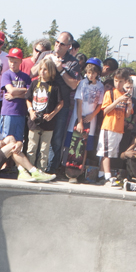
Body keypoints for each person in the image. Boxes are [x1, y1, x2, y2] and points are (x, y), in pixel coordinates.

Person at [42, 32, 81, 174]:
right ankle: (37, 166)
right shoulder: (46, 54)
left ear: (69, 46)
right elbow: (32, 72)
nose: (57, 46)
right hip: (42, 102)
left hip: (61, 105)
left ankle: (52, 169)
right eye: (56, 42)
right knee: (38, 136)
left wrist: (60, 69)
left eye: (62, 44)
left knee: (56, 138)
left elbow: (74, 85)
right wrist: (44, 61)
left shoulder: (72, 62)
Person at [98, 68, 134, 188]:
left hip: (119, 128)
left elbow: (127, 114)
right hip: (109, 126)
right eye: (116, 81)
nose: (117, 84)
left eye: (120, 81)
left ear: (125, 82)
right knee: (106, 152)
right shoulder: (110, 93)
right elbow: (106, 110)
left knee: (110, 152)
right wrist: (117, 100)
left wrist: (129, 106)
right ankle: (108, 177)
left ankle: (101, 174)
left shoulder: (125, 95)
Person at [25, 59, 62, 172]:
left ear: (51, 71)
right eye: (41, 69)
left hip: (48, 123)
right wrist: (31, 111)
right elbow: (28, 99)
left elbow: (60, 103)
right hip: (34, 121)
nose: (42, 71)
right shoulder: (35, 83)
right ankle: (30, 169)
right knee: (32, 147)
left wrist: (52, 114)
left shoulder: (55, 86)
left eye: (45, 69)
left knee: (44, 149)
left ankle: (42, 170)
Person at [72, 58, 105, 173]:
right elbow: (79, 102)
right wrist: (80, 121)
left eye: (93, 73)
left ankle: (82, 170)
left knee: (86, 144)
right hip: (80, 116)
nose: (91, 75)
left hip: (92, 117)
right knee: (75, 142)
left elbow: (100, 104)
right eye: (89, 73)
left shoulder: (101, 86)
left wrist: (92, 115)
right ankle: (71, 167)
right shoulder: (82, 83)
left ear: (98, 73)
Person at [0, 47, 30, 141]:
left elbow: (29, 93)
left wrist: (16, 95)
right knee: (7, 140)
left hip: (20, 112)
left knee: (18, 141)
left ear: (21, 61)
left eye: (15, 61)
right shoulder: (6, 74)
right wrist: (23, 91)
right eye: (11, 61)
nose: (12, 64)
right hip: (8, 112)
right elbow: (11, 90)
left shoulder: (25, 77)